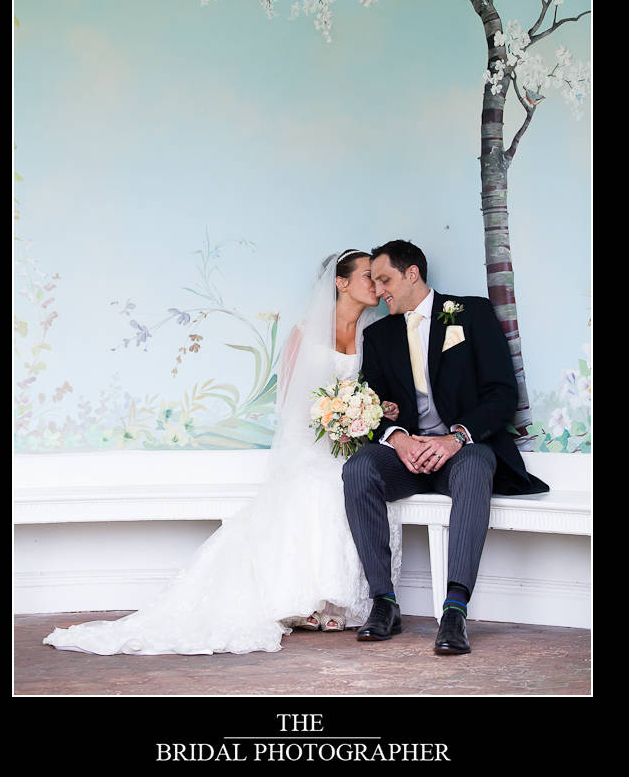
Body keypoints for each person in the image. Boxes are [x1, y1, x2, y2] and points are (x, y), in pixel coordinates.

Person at [42, 251, 402, 656]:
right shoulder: (307, 332)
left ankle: (336, 601)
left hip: (350, 443)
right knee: (318, 481)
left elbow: (372, 391)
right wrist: (331, 418)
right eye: (369, 277)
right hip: (311, 442)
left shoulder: (374, 334)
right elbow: (289, 402)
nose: (377, 285)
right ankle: (305, 601)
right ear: (341, 283)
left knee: (352, 478)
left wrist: (372, 411)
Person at [342, 239, 549, 655]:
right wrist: (397, 439)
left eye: (385, 279)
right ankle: (384, 603)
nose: (380, 290)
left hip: (463, 450)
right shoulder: (380, 335)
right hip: (409, 456)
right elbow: (371, 403)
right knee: (359, 468)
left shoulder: (470, 313)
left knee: (475, 465)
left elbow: (501, 394)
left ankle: (455, 609)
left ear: (412, 273)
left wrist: (455, 438)